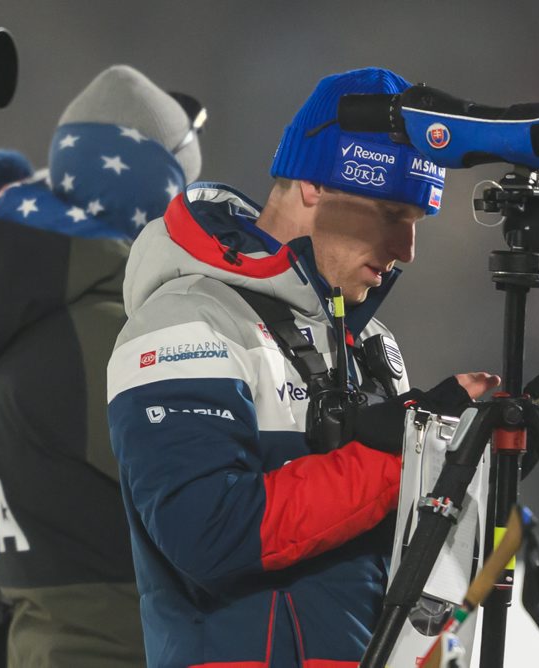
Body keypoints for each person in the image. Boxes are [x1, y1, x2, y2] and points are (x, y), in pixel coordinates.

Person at [105, 67, 498, 668]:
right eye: (393, 213)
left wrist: (453, 469)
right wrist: (394, 454)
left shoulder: (372, 346)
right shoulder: (188, 320)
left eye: (416, 224)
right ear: (315, 185)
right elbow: (208, 533)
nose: (406, 252)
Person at [0, 64, 204, 667]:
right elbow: (223, 506)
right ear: (155, 201)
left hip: (37, 648)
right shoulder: (110, 338)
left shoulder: (0, 326)